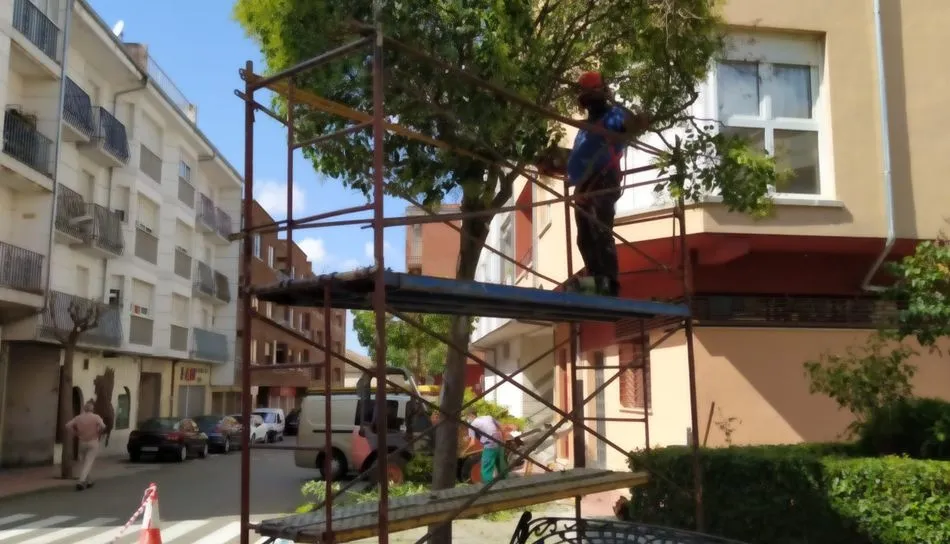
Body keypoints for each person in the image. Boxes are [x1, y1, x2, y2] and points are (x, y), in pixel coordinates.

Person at [566, 71, 651, 296]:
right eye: (587, 100)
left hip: (604, 178)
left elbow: (632, 127)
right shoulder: (586, 128)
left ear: (603, 94)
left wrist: (639, 120)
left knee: (599, 230)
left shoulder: (615, 116)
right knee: (584, 237)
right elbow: (578, 157)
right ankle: (595, 282)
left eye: (593, 98)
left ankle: (609, 284)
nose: (590, 104)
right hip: (584, 185)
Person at [65, 401, 106, 491]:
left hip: (82, 441)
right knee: (88, 462)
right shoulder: (96, 417)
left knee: (83, 462)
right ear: (92, 409)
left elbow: (67, 425)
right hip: (93, 441)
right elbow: (103, 426)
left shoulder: (78, 418)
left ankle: (89, 480)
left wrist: (75, 433)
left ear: (84, 409)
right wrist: (98, 432)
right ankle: (81, 481)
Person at [465, 408, 507, 484]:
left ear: (470, 415)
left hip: (490, 445)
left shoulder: (472, 425)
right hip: (499, 442)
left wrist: (464, 452)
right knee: (500, 464)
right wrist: (503, 441)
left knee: (486, 467)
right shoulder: (488, 417)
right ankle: (505, 483)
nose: (467, 419)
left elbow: (472, 443)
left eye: (467, 417)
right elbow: (502, 428)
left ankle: (488, 487)